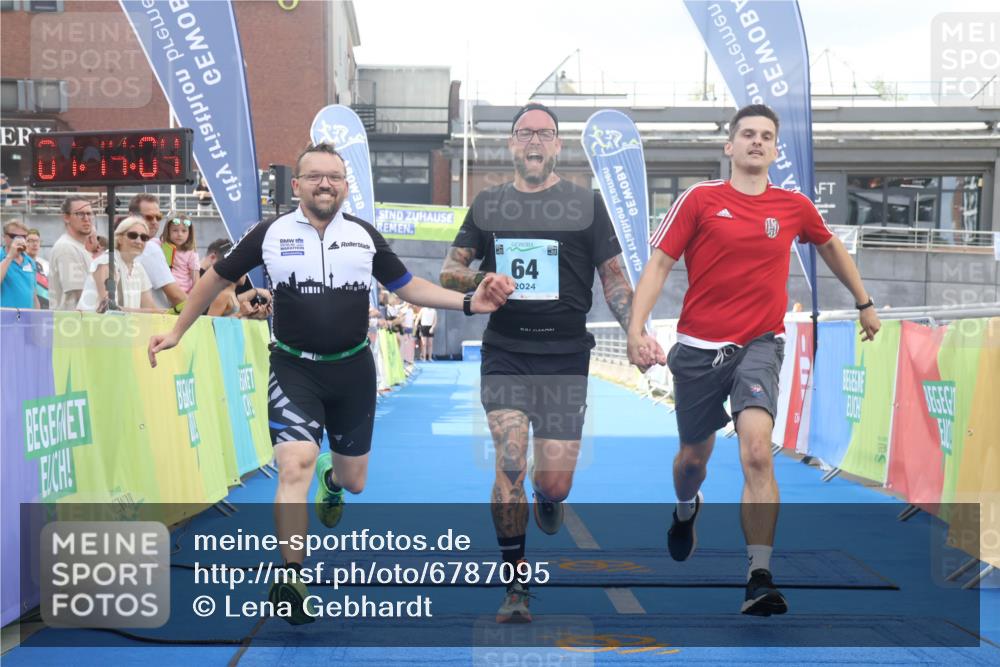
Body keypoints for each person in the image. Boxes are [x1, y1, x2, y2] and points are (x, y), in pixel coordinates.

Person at [148, 143, 513, 625]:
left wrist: (469, 303)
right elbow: (214, 280)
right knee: (292, 463)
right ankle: (292, 578)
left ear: (345, 185)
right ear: (296, 185)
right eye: (315, 176)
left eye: (335, 177)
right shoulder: (268, 233)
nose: (325, 184)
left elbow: (408, 287)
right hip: (294, 368)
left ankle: (333, 478)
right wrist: (176, 331)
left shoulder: (364, 235)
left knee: (354, 480)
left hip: (353, 369)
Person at [627, 104, 881, 617]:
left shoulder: (793, 206)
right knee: (691, 464)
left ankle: (759, 574)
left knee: (759, 452)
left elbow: (829, 246)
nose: (757, 142)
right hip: (698, 351)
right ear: (730, 146)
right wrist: (637, 328)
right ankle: (684, 510)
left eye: (767, 136)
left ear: (775, 149)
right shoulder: (699, 199)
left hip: (760, 345)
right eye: (748, 134)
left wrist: (864, 301)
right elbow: (658, 265)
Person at [440, 102, 638, 623]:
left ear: (557, 145)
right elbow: (449, 271)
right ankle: (516, 587)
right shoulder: (488, 205)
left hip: (566, 357)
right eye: (524, 133)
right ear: (511, 144)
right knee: (509, 459)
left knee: (553, 482)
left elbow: (614, 279)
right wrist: (480, 280)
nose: (534, 141)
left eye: (544, 134)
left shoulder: (586, 205)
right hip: (507, 352)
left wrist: (635, 333)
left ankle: (547, 498)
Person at [78, 216, 158, 312]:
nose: (139, 241)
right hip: (92, 324)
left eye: (144, 238)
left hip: (122, 325)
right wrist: (155, 312)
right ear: (119, 239)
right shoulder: (106, 263)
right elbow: (109, 308)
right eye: (133, 235)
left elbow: (149, 306)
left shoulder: (138, 267)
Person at [128, 194, 187, 312]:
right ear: (131, 217)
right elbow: (177, 296)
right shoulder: (149, 248)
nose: (155, 222)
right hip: (156, 322)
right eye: (149, 217)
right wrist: (202, 315)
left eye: (158, 217)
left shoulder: (122, 247)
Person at [48, 196, 96, 309]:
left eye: (89, 214)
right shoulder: (66, 248)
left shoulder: (78, 247)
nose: (86, 218)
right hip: (72, 323)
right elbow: (81, 295)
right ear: (66, 217)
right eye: (80, 214)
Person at [156, 213, 200, 293]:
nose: (179, 234)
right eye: (175, 230)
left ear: (189, 233)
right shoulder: (160, 245)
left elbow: (196, 280)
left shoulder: (191, 253)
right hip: (164, 292)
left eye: (184, 231)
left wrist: (192, 297)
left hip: (183, 294)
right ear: (168, 231)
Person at [1, 220, 40, 309]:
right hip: (4, 317)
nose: (19, 240)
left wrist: (37, 315)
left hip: (26, 317)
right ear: (4, 237)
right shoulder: (1, 256)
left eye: (23, 236)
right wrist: (10, 256)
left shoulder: (29, 261)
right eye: (13, 236)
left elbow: (33, 295)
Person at [25, 229, 50, 309]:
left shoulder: (45, 265)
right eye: (31, 241)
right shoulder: (20, 263)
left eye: (37, 241)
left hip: (45, 309)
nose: (35, 244)